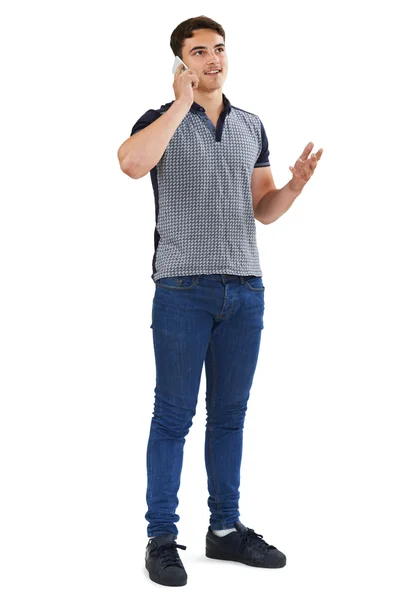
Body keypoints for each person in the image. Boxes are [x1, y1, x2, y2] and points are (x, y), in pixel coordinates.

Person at [117, 15, 323, 587]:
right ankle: (162, 537)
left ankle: (225, 531)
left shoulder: (251, 126)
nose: (214, 59)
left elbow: (263, 208)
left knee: (229, 417)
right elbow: (132, 165)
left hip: (245, 290)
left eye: (219, 49)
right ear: (181, 63)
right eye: (200, 51)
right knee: (173, 416)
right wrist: (179, 104)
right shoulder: (158, 121)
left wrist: (295, 186)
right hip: (182, 289)